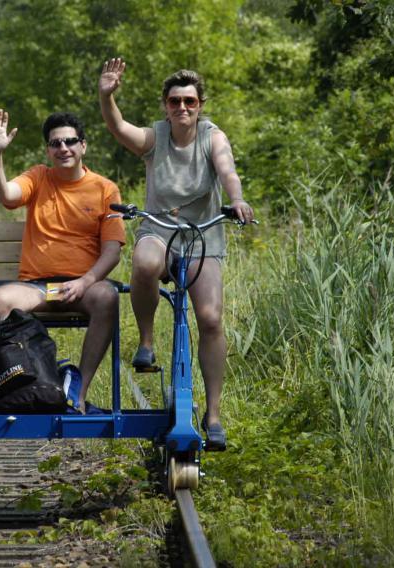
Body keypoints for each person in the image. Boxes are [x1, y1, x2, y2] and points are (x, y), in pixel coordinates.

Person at [98, 58, 254, 449]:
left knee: (210, 318)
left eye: (189, 101)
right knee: (145, 262)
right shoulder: (156, 137)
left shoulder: (212, 137)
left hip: (202, 234)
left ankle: (213, 414)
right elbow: (119, 129)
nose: (181, 108)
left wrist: (236, 200)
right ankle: (147, 343)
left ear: (200, 104)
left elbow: (227, 170)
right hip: (160, 228)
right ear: (164, 106)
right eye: (174, 101)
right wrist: (106, 96)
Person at [0, 109, 126, 414]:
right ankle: (25, 385)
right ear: (48, 150)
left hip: (83, 287)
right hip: (40, 288)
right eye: (55, 144)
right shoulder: (38, 177)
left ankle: (78, 392)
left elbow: (112, 251)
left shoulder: (105, 189)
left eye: (70, 142)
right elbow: (3, 194)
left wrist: (85, 281)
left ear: (83, 146)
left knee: (108, 297)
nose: (63, 148)